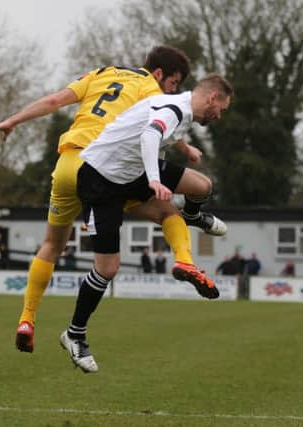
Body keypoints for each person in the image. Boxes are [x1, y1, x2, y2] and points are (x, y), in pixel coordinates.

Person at [0, 46, 225, 353]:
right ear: (159, 74)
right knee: (166, 213)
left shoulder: (100, 75)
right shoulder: (151, 86)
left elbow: (55, 101)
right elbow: (159, 121)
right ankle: (186, 255)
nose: (174, 90)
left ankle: (27, 318)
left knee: (52, 244)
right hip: (105, 166)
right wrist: (185, 150)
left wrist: (12, 121)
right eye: (173, 83)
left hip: (67, 165)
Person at [59, 73, 233, 373]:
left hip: (132, 171)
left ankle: (191, 215)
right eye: (222, 109)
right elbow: (150, 134)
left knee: (201, 187)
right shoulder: (175, 108)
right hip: (101, 181)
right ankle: (74, 333)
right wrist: (154, 180)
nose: (219, 116)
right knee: (107, 269)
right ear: (212, 98)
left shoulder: (178, 106)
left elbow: (158, 128)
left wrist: (183, 148)